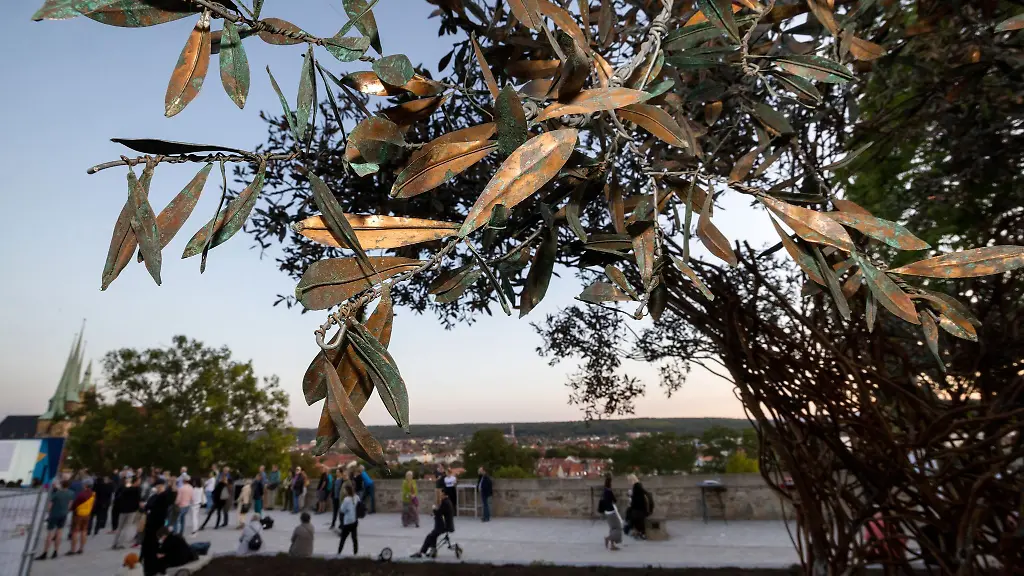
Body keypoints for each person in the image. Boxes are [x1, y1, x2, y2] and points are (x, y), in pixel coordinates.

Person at [35, 481, 75, 560]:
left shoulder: (56, 493)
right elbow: (70, 505)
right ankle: (55, 551)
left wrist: (49, 512)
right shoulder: (71, 493)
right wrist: (66, 511)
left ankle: (45, 552)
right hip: (63, 514)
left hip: (54, 514)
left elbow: (50, 505)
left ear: (61, 485)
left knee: (50, 533)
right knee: (59, 532)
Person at [411, 488, 455, 558]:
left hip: (444, 526)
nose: (440, 495)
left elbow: (439, 513)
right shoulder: (448, 501)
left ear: (443, 494)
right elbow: (442, 512)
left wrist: (434, 508)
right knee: (433, 536)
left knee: (430, 536)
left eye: (441, 493)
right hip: (447, 525)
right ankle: (433, 552)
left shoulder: (445, 502)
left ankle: (421, 552)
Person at [141, 479, 173, 576]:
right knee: (147, 544)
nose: (159, 488)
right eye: (158, 486)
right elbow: (147, 507)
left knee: (156, 545)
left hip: (158, 526)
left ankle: (155, 567)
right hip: (150, 524)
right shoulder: (154, 496)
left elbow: (169, 498)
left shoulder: (164, 496)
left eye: (161, 486)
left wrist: (171, 486)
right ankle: (144, 562)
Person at [112, 477, 143, 549]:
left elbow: (121, 493)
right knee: (126, 527)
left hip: (123, 509)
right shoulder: (137, 489)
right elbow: (139, 499)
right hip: (131, 510)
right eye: (139, 481)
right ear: (136, 481)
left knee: (120, 527)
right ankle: (120, 544)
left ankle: (115, 543)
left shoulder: (126, 488)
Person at [68, 480, 95, 554]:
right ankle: (81, 548)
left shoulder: (81, 494)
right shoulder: (93, 494)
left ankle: (73, 549)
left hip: (78, 514)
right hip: (87, 514)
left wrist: (71, 509)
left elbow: (75, 504)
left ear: (85, 485)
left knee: (75, 532)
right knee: (84, 531)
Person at [598, 475, 622, 550]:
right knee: (618, 528)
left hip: (607, 512)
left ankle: (612, 545)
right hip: (611, 511)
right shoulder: (609, 491)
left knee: (612, 528)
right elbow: (614, 500)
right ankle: (608, 538)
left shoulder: (604, 491)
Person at [337, 483, 360, 555]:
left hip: (347, 522)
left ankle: (339, 552)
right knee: (354, 538)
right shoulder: (356, 497)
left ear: (347, 491)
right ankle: (355, 552)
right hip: (354, 520)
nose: (343, 491)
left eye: (344, 490)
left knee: (343, 539)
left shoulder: (346, 500)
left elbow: (342, 510)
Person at [627, 473, 651, 540]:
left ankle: (641, 533)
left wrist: (631, 497)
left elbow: (637, 498)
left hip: (640, 508)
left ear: (632, 480)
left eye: (629, 480)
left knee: (634, 517)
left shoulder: (636, 486)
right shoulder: (638, 485)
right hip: (640, 507)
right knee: (631, 515)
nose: (628, 482)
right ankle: (639, 532)